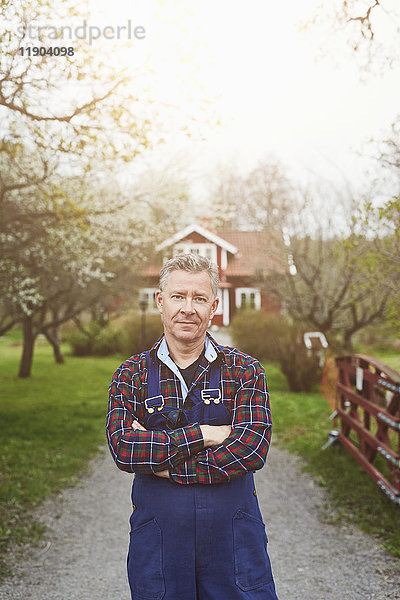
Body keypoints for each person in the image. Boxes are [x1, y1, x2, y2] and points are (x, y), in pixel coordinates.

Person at [106, 253, 279, 600]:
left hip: (234, 542)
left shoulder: (245, 371)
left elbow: (251, 448)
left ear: (213, 306)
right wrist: (205, 434)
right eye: (178, 296)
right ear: (160, 301)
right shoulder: (131, 375)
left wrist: (166, 466)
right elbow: (124, 448)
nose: (188, 308)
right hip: (158, 543)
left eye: (199, 298)